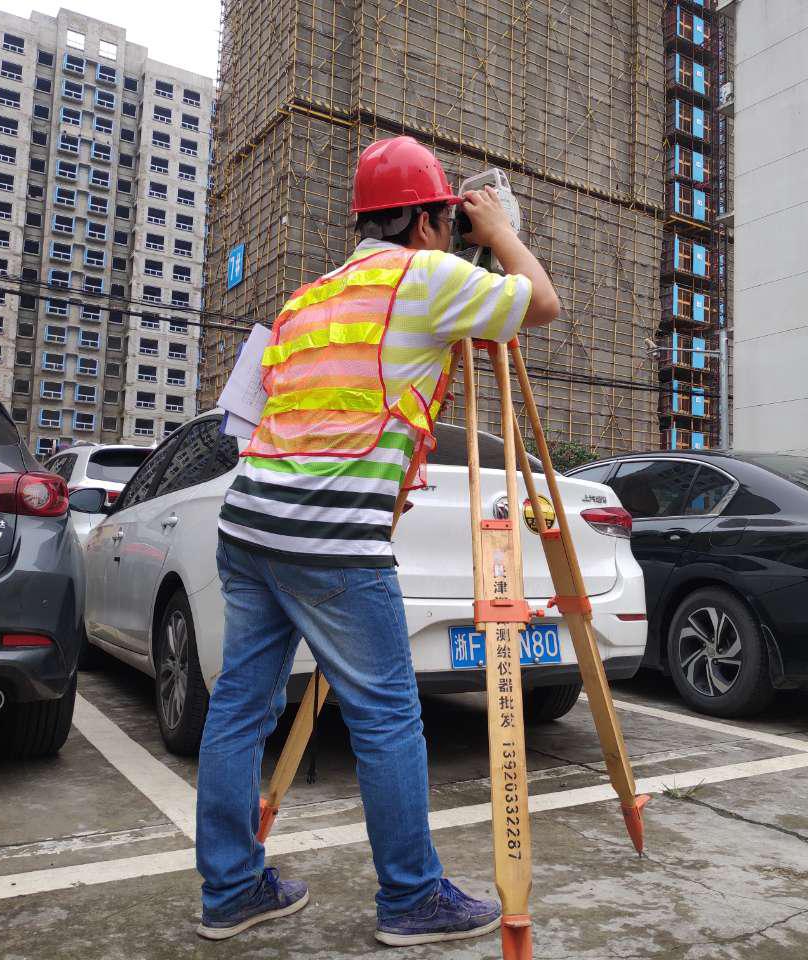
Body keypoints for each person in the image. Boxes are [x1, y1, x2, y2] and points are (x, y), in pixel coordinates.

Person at [195, 135, 561, 944]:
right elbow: (539, 303)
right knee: (389, 714)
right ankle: (409, 898)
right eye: (450, 219)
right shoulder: (425, 277)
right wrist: (500, 232)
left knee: (238, 710)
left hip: (249, 521)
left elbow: (252, 414)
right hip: (330, 540)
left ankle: (230, 890)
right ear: (430, 223)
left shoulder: (305, 297)